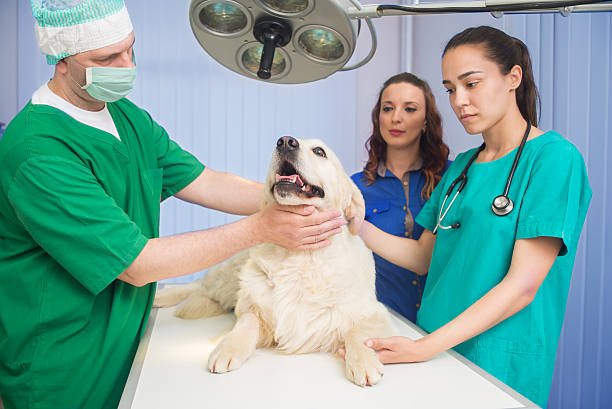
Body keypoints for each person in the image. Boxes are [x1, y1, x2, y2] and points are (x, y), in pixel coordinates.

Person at [0, 2, 345, 408]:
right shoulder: (37, 152)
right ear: (60, 60)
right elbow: (137, 264)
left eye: (130, 48)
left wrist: (299, 193)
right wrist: (262, 227)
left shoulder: (125, 117)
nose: (125, 65)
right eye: (107, 58)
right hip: (63, 365)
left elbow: (207, 182)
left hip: (127, 345)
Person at [355, 26, 591, 407]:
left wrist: (425, 347)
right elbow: (422, 257)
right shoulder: (462, 166)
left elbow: (522, 286)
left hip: (496, 362)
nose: (459, 101)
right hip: (431, 347)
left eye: (471, 84)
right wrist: (354, 224)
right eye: (450, 88)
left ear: (513, 78)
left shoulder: (554, 159)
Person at [351, 73, 449, 322]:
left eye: (410, 109)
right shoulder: (354, 188)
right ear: (378, 118)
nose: (396, 118)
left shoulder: (452, 178)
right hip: (383, 322)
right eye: (388, 108)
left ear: (426, 121)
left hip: (443, 323)